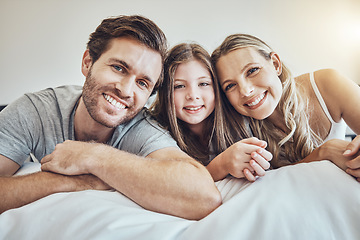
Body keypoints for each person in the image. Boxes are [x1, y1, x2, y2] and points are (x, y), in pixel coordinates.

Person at [0, 15, 222, 220]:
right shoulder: (36, 110)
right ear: (88, 62)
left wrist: (93, 156)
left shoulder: (142, 128)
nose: (126, 90)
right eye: (118, 68)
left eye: (142, 83)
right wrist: (75, 181)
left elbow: (204, 197)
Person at [211, 33, 360, 180]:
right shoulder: (232, 129)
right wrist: (323, 153)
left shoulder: (328, 83)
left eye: (252, 71)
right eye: (230, 85)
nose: (245, 90)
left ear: (275, 64)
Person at [150, 43, 272, 182]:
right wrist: (222, 164)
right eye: (179, 86)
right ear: (165, 93)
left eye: (203, 84)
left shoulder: (239, 115)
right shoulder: (156, 133)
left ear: (216, 88)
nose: (193, 95)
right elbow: (180, 184)